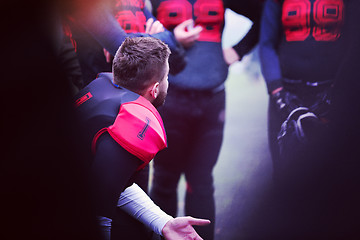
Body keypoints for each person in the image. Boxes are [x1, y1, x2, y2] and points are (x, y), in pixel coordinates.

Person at [148, 1, 263, 239]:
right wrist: (171, 38)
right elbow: (136, 31)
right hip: (170, 98)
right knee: (164, 180)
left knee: (201, 182)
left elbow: (267, 15)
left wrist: (238, 50)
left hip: (211, 98)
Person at [75, 37, 210, 240]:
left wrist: (163, 222)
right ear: (154, 89)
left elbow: (113, 183)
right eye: (166, 78)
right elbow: (99, 209)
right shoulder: (131, 122)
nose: (168, 83)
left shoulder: (102, 89)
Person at [259, 0, 348, 183]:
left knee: (335, 179)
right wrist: (277, 93)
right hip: (287, 94)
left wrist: (338, 90)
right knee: (283, 177)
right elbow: (266, 44)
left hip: (334, 94)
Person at [66, 0, 185, 85]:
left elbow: (177, 61)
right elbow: (123, 47)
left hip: (141, 93)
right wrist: (156, 39)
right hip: (104, 97)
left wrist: (153, 39)